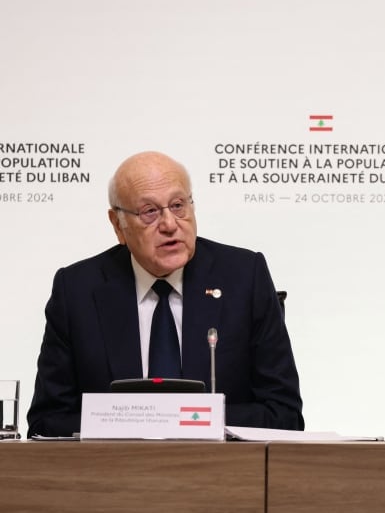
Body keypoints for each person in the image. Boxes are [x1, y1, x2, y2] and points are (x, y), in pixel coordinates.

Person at [27, 151, 303, 437]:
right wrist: (140, 423)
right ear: (117, 224)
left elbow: (284, 413)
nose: (170, 224)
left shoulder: (244, 277)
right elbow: (46, 422)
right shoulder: (77, 291)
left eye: (178, 205)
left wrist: (184, 421)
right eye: (149, 212)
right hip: (114, 473)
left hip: (222, 473)